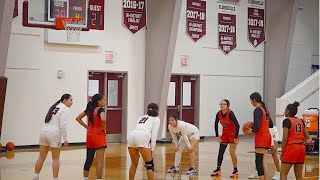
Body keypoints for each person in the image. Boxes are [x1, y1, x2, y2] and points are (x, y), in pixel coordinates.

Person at [33, 94, 73, 180]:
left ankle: (36, 176)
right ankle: (55, 178)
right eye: (71, 100)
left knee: (41, 157)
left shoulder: (55, 106)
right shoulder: (65, 109)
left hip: (43, 132)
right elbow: (63, 124)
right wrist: (65, 138)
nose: (72, 102)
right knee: (55, 158)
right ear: (65, 100)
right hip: (54, 133)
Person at [76, 94, 107, 180]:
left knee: (89, 159)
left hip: (90, 135)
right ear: (99, 102)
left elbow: (78, 118)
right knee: (100, 160)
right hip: (98, 135)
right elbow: (103, 119)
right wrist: (104, 128)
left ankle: (85, 178)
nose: (105, 102)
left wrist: (87, 127)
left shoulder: (89, 109)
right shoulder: (100, 109)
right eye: (104, 100)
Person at [127, 103, 161, 180]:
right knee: (149, 165)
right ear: (157, 110)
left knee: (134, 163)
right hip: (142, 136)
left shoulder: (142, 117)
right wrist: (152, 150)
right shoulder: (156, 119)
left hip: (132, 136)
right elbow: (154, 136)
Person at [245, 92, 272, 180]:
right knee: (263, 161)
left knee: (258, 161)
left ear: (254, 100)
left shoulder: (257, 110)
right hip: (267, 135)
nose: (251, 103)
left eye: (251, 101)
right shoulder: (265, 109)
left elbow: (257, 126)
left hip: (261, 137)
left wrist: (251, 131)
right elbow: (271, 124)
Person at [211, 99, 240, 178]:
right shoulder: (218, 113)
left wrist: (235, 137)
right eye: (221, 104)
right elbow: (216, 124)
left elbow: (237, 125)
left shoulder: (230, 113)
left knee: (231, 152)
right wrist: (217, 136)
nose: (222, 105)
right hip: (225, 134)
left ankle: (235, 170)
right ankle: (218, 169)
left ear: (228, 106)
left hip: (233, 134)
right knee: (221, 151)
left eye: (224, 104)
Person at [280, 102, 309, 180]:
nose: (284, 111)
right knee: (299, 176)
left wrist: (283, 150)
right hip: (301, 148)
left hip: (291, 148)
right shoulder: (301, 121)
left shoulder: (287, 121)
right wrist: (300, 141)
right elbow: (307, 136)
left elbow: (285, 139)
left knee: (283, 174)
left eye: (285, 110)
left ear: (288, 111)